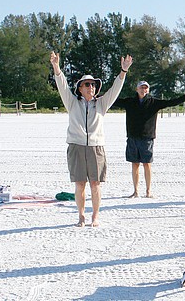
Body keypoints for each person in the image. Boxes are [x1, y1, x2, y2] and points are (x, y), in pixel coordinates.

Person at [50, 51, 132, 227]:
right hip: (76, 146)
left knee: (95, 184)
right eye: (87, 84)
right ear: (80, 88)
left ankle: (95, 216)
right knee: (80, 184)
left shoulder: (101, 104)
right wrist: (56, 67)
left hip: (96, 147)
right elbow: (62, 85)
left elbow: (115, 90)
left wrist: (123, 72)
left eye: (93, 85)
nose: (91, 87)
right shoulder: (72, 103)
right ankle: (81, 216)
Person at [113, 80, 185, 198]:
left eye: (146, 88)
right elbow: (113, 100)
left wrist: (184, 98)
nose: (144, 90)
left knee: (147, 164)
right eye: (141, 88)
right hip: (132, 137)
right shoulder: (129, 102)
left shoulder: (153, 102)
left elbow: (169, 103)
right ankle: (135, 191)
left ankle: (148, 191)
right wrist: (97, 96)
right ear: (137, 89)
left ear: (148, 90)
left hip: (147, 138)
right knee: (135, 164)